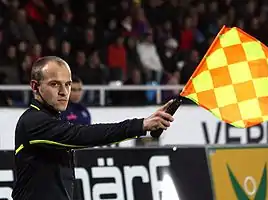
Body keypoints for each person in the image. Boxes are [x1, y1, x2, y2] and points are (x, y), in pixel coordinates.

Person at [12, 56, 174, 200]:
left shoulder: (50, 119)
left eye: (67, 84)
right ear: (35, 86)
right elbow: (81, 135)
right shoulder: (33, 121)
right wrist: (140, 125)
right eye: (54, 84)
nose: (64, 92)